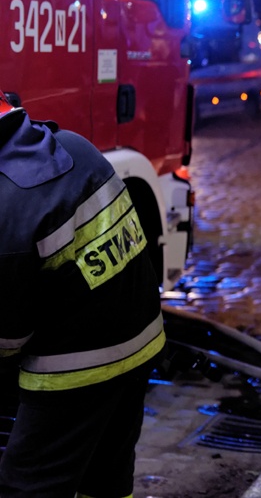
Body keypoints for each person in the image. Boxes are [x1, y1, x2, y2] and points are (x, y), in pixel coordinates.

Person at [0, 94, 165, 498]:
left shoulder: (9, 208)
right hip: (141, 342)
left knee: (26, 486)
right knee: (105, 478)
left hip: (71, 367)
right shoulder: (77, 146)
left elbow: (8, 336)